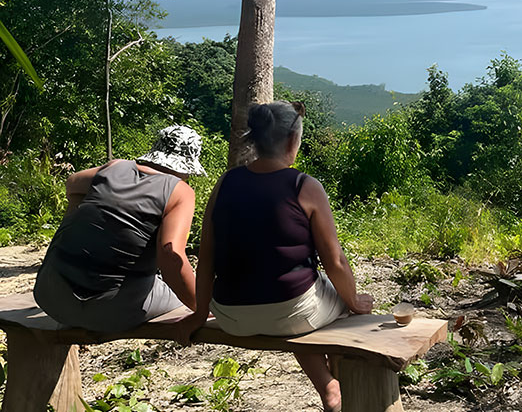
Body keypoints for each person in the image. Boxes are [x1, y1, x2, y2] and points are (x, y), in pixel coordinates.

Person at [178, 101, 372, 412]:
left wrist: (201, 314)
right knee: (334, 303)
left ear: (254, 140)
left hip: (231, 315)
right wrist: (353, 302)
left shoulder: (226, 182)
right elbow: (334, 261)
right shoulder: (304, 186)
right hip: (292, 311)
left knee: (297, 299)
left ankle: (328, 387)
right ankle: (334, 389)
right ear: (293, 140)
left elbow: (207, 257)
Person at [34, 125, 205, 332]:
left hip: (50, 296)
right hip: (110, 312)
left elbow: (73, 182)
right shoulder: (180, 192)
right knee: (176, 289)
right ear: (187, 166)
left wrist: (73, 215)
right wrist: (202, 307)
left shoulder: (114, 167)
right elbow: (170, 253)